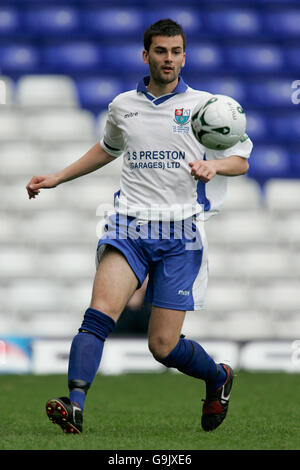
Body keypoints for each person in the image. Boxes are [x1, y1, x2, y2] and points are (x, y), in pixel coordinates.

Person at [26, 19, 253, 434]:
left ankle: (217, 377)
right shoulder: (122, 106)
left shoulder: (207, 106)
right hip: (127, 227)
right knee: (98, 316)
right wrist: (58, 176)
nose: (169, 59)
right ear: (145, 54)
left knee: (162, 347)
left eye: (176, 51)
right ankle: (74, 404)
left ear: (185, 55)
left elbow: (241, 160)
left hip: (179, 234)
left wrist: (214, 164)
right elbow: (107, 148)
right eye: (161, 51)